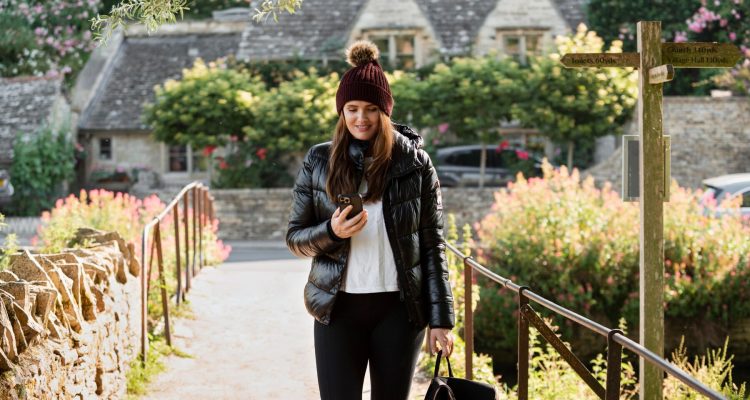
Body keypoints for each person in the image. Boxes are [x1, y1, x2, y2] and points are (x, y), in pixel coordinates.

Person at [286, 40, 455, 400]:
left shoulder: (415, 164)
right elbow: (296, 238)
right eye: (352, 108)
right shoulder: (319, 161)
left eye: (371, 108)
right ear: (341, 111)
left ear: (385, 111)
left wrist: (441, 319)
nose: (361, 118)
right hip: (337, 310)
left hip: (398, 312)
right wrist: (331, 231)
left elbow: (432, 245)